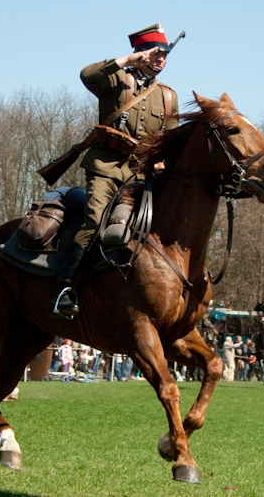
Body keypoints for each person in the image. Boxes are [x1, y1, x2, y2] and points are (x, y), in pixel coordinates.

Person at [52, 23, 179, 318]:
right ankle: (64, 289)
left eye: (166, 54)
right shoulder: (116, 79)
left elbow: (168, 141)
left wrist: (164, 161)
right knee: (95, 221)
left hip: (139, 175)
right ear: (141, 53)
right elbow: (86, 74)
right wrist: (124, 61)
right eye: (156, 52)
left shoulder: (168, 97)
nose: (161, 59)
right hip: (106, 167)